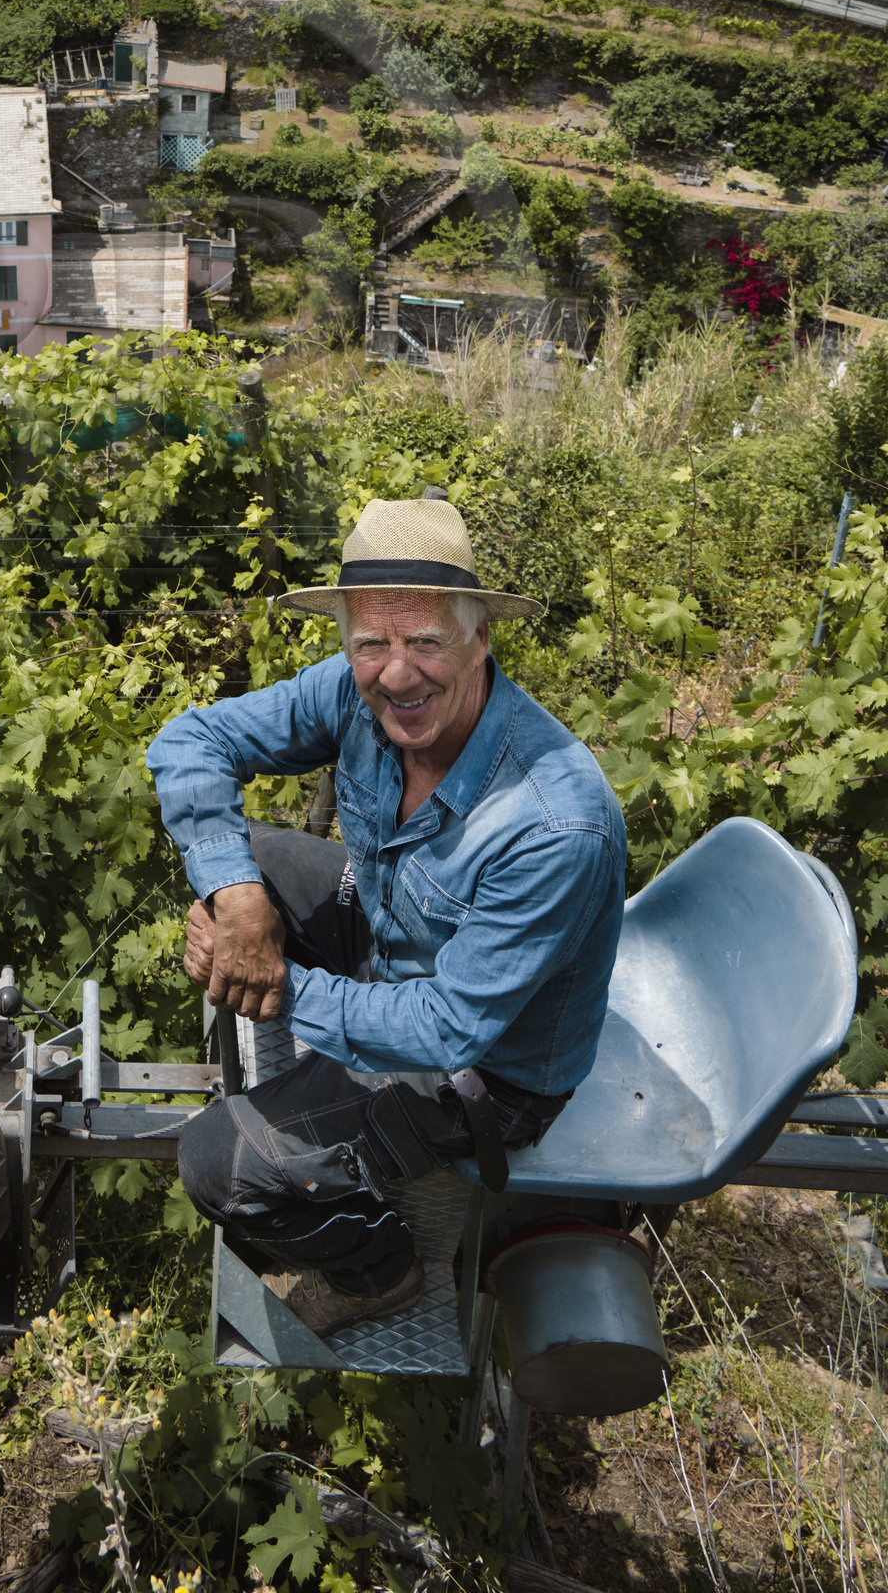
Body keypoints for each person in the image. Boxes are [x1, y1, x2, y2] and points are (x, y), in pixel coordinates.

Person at [147, 494, 626, 1337]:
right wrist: (237, 898)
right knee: (242, 859)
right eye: (372, 643)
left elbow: (447, 1029)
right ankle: (302, 1095)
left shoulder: (556, 824)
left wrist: (277, 982)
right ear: (348, 643)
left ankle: (381, 1270)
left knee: (215, 1165)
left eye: (425, 642)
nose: (396, 675)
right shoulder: (354, 695)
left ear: (481, 638)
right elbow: (190, 744)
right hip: (393, 941)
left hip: (487, 1073)